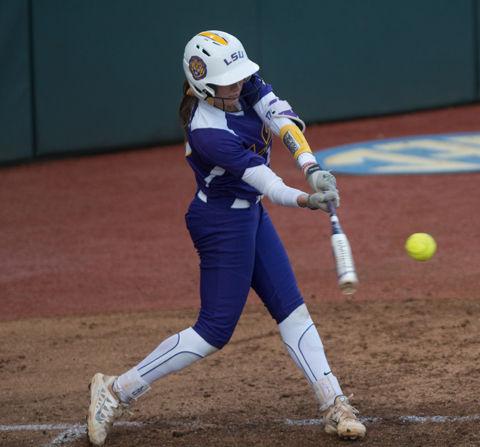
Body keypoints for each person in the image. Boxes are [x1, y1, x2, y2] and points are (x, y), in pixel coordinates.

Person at [86, 30, 366, 445]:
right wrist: (307, 199)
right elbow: (266, 182)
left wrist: (310, 166)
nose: (238, 85)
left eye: (239, 77)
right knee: (214, 330)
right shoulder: (207, 132)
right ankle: (114, 391)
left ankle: (334, 402)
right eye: (227, 81)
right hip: (219, 223)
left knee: (292, 311)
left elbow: (279, 118)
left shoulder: (242, 84)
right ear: (203, 85)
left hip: (249, 214)